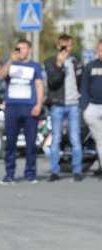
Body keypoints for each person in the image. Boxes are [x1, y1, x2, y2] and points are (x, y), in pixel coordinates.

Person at [0, 39, 44, 185]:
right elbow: (1, 76)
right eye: (18, 48)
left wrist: (38, 104)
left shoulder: (34, 66)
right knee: (11, 142)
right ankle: (9, 174)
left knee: (31, 142)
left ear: (29, 50)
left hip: (29, 107)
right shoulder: (10, 62)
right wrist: (11, 60)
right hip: (12, 106)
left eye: (24, 48)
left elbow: (39, 85)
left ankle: (31, 173)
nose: (21, 51)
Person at [45, 34, 84, 182]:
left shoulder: (76, 62)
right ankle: (55, 171)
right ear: (58, 46)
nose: (66, 49)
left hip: (73, 104)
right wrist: (59, 65)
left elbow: (81, 83)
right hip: (57, 104)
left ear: (72, 46)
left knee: (75, 139)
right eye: (63, 46)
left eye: (68, 46)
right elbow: (53, 82)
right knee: (56, 139)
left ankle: (77, 170)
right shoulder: (51, 62)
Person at [81, 38, 102, 178]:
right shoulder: (90, 66)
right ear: (96, 50)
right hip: (93, 106)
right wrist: (84, 108)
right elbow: (84, 87)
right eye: (100, 49)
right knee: (100, 140)